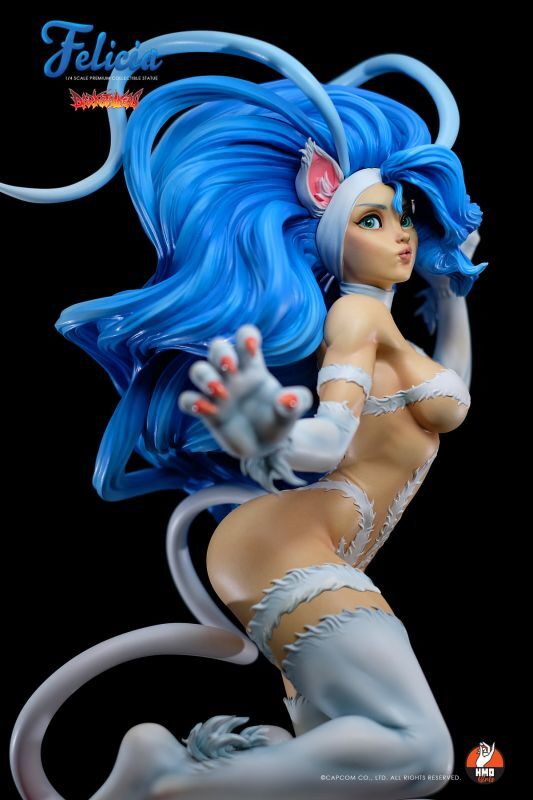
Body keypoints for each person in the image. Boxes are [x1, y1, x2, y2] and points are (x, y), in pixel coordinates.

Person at [2, 30, 487, 800]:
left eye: (401, 215)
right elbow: (328, 437)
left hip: (303, 550)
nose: (399, 232)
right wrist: (276, 434)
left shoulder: (387, 332)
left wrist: (451, 297)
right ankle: (167, 780)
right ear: (325, 218)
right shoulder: (354, 321)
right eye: (371, 220)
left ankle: (168, 767)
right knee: (419, 754)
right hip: (291, 547)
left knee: (357, 770)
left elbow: (448, 393)